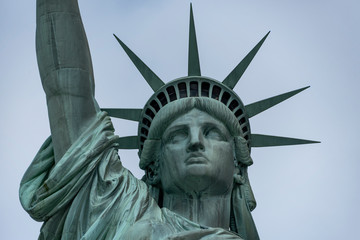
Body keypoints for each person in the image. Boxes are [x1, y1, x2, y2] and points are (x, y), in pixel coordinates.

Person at [22, 0, 317, 239]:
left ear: (238, 166)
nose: (195, 142)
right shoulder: (113, 208)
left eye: (212, 132)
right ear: (153, 170)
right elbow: (67, 91)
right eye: (177, 136)